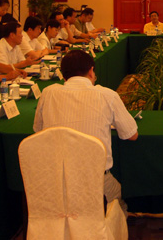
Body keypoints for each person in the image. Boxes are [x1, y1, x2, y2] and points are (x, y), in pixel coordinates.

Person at [33, 50, 138, 207]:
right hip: (96, 182)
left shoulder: (48, 93)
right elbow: (132, 135)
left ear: (64, 75)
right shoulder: (108, 95)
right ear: (91, 71)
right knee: (119, 203)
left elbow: (38, 131)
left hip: (55, 184)